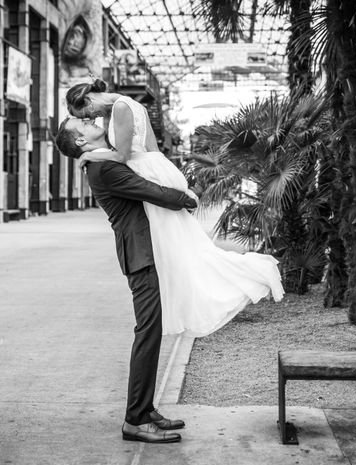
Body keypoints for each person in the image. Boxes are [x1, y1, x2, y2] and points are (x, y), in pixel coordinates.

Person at [65, 79, 284, 338]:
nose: (93, 119)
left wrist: (90, 155)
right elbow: (147, 149)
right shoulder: (125, 106)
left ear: (88, 99)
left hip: (149, 169)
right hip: (154, 166)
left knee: (179, 249)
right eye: (87, 119)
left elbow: (122, 157)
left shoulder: (121, 108)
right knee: (181, 248)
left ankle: (220, 284)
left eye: (87, 114)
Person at [55, 116, 195, 444]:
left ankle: (145, 411)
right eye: (83, 122)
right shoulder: (103, 169)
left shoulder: (105, 161)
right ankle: (135, 419)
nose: (90, 119)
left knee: (151, 330)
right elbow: (149, 191)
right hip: (140, 255)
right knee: (147, 332)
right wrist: (186, 198)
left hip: (145, 251)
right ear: (79, 141)